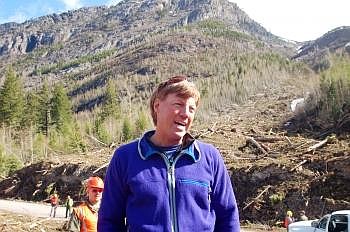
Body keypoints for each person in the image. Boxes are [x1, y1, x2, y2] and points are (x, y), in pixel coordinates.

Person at [98, 76, 240, 231]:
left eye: (191, 109)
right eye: (179, 104)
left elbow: (228, 217)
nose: (186, 114)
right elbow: (109, 221)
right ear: (157, 106)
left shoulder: (209, 157)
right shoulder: (125, 157)